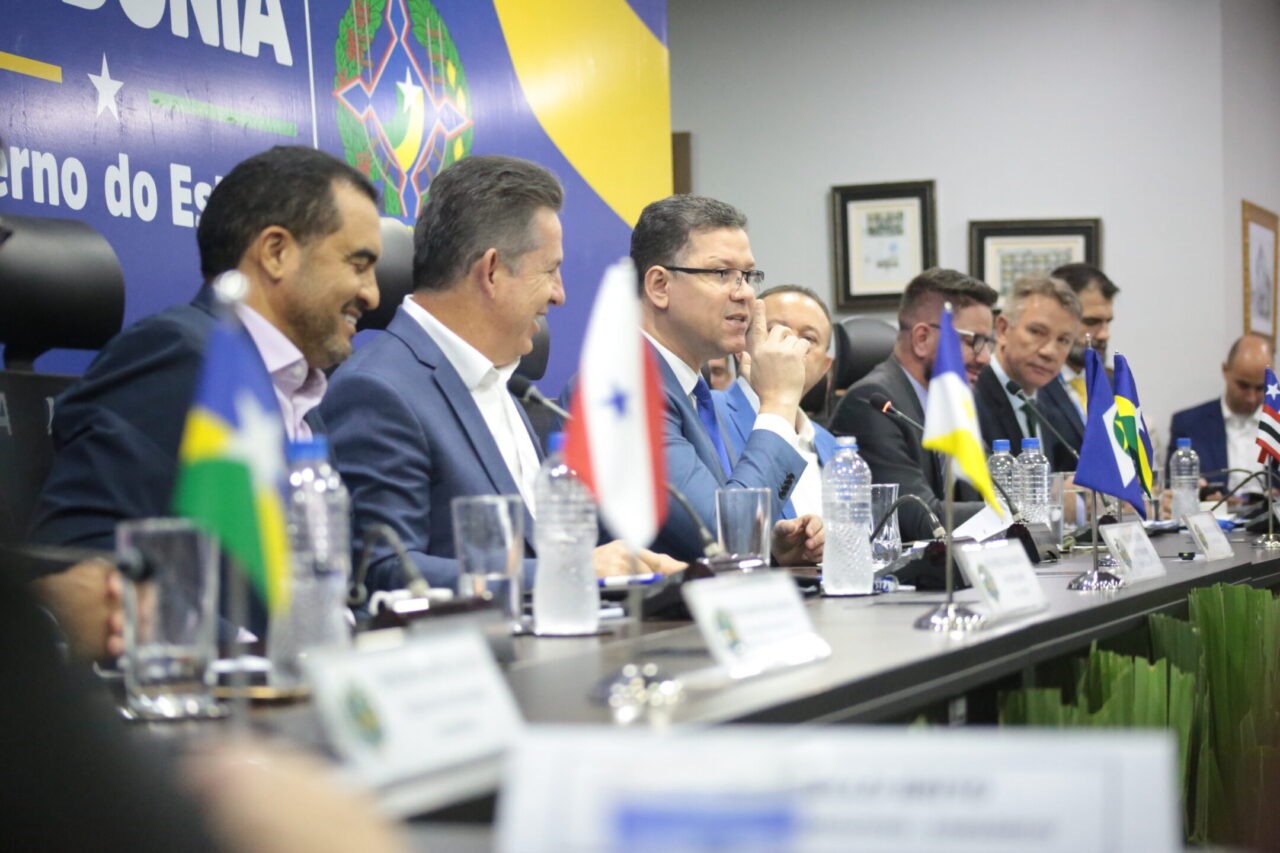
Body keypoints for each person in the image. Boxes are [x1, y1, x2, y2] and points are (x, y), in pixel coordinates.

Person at [27, 145, 382, 638]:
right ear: (276, 252)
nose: (372, 294)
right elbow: (81, 561)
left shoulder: (303, 402)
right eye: (358, 265)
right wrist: (239, 652)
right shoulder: (179, 354)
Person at [322, 155, 680, 592]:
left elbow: (539, 549)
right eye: (550, 270)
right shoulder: (377, 390)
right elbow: (386, 572)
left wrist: (626, 565)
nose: (560, 294)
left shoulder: (505, 384)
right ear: (491, 271)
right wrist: (572, 570)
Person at [632, 194, 822, 564]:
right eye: (722, 274)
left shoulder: (691, 390)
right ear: (659, 286)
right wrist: (779, 402)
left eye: (748, 276)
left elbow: (723, 524)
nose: (745, 293)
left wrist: (771, 546)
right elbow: (727, 535)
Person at [828, 268, 998, 540]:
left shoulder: (952, 403)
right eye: (974, 341)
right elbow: (920, 519)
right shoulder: (872, 403)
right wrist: (1021, 512)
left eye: (988, 343)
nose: (986, 357)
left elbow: (991, 488)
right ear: (922, 339)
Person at [714, 285, 837, 520]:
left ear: (824, 367)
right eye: (775, 331)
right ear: (741, 345)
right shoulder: (707, 414)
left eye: (808, 338)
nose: (791, 346)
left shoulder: (830, 445)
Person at [974, 275, 1082, 471]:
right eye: (1036, 332)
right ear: (1003, 329)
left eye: (1063, 340)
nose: (1049, 352)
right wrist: (1055, 488)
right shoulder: (973, 396)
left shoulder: (1052, 401)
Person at [1168, 332, 1273, 494]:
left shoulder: (1276, 424)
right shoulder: (1188, 424)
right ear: (1225, 370)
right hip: (1216, 509)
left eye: (1260, 388)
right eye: (1243, 386)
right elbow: (1172, 488)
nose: (1251, 398)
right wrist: (1203, 495)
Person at [1053, 262, 1119, 431]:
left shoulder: (1113, 384)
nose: (1105, 335)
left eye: (1108, 322)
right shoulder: (1033, 384)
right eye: (1091, 322)